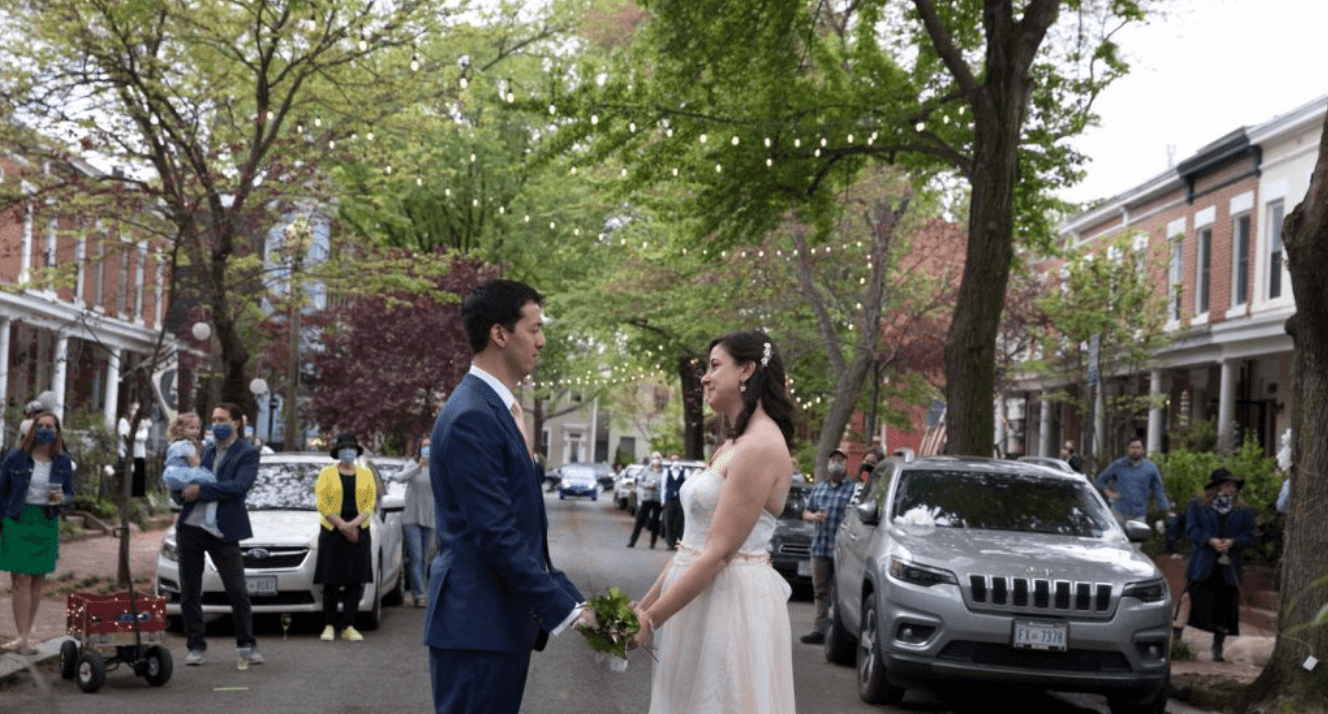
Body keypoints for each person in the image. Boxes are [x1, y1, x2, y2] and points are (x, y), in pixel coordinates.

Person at [426, 279, 586, 714]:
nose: (542, 340)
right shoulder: (472, 416)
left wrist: (577, 602)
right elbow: (496, 534)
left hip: (496, 624)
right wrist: (567, 612)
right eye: (533, 329)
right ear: (500, 334)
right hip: (477, 624)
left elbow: (520, 530)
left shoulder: (496, 408)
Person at [631, 330, 796, 714]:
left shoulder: (760, 446)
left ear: (747, 370)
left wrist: (651, 621)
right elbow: (692, 544)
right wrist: (643, 608)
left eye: (715, 366)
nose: (704, 377)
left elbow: (719, 553)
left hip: (730, 606)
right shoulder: (731, 445)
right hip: (699, 600)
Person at [176, 403, 263, 666]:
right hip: (191, 525)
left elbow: (238, 487)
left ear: (236, 422)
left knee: (236, 589)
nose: (216, 424)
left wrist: (201, 491)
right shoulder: (206, 450)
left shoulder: (247, 453)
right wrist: (180, 489)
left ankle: (246, 644)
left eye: (222, 419)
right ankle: (196, 646)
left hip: (223, 529)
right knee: (190, 590)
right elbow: (186, 481)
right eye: (213, 419)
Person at [0, 411, 74, 655]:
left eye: (49, 426)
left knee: (37, 581)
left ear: (57, 431)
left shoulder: (62, 461)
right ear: (32, 430)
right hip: (18, 520)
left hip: (46, 520)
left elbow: (70, 493)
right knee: (20, 579)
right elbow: (2, 489)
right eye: (40, 425)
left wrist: (64, 498)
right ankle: (22, 638)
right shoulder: (17, 456)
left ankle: (26, 635)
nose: (45, 429)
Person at [1172, 468, 1255, 662]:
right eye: (1226, 485)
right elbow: (1191, 529)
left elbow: (1250, 536)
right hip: (1203, 563)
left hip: (1228, 565)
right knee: (1189, 599)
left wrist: (1233, 542)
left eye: (1233, 486)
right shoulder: (1197, 505)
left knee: (1224, 607)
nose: (1230, 489)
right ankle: (1176, 641)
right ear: (1216, 487)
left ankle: (1217, 648)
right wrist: (1209, 540)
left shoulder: (1244, 510)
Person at [315, 434, 376, 642]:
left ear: (356, 451)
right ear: (338, 452)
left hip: (359, 531)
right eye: (344, 448)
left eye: (351, 447)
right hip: (333, 530)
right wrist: (342, 525)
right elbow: (322, 503)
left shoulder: (366, 474)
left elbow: (369, 504)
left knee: (354, 581)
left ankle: (349, 625)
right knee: (331, 581)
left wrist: (353, 525)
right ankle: (329, 625)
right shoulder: (327, 473)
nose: (348, 451)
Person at [799, 447, 857, 645]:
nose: (836, 463)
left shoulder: (851, 489)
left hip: (843, 552)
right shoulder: (820, 488)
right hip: (820, 548)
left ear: (845, 465)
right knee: (820, 591)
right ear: (828, 464)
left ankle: (837, 633)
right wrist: (814, 517)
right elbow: (805, 513)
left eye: (840, 460)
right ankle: (819, 630)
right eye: (833, 460)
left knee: (839, 592)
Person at [386, 436, 435, 607]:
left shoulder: (438, 467)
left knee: (428, 557)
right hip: (411, 517)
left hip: (431, 518)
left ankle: (425, 591)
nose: (427, 450)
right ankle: (419, 595)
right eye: (424, 447)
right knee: (416, 556)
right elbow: (399, 478)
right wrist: (418, 466)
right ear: (419, 449)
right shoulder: (412, 465)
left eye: (430, 446)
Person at [162, 412, 223, 539]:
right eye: (191, 428)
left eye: (197, 428)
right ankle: (210, 521)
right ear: (181, 429)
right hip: (181, 473)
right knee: (213, 482)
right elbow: (195, 463)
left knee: (183, 493)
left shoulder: (175, 443)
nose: (195, 431)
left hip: (171, 474)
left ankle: (182, 498)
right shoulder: (186, 445)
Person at [1095, 436, 1173, 526]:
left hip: (1139, 514)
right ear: (1128, 449)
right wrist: (1107, 491)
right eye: (1132, 447)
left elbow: (1159, 490)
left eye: (1138, 447)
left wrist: (1167, 511)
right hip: (1118, 511)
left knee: (1136, 539)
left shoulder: (1151, 468)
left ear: (1142, 450)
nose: (1135, 450)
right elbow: (1100, 480)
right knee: (1116, 539)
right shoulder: (1118, 465)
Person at [628, 454, 665, 548]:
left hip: (658, 499)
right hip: (647, 497)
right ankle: (632, 541)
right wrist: (648, 485)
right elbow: (639, 481)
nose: (656, 461)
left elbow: (665, 485)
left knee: (655, 521)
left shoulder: (664, 472)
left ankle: (653, 543)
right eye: (654, 458)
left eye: (658, 459)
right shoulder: (646, 470)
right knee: (640, 520)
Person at [117, 401, 151, 498]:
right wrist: (131, 436)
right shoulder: (123, 421)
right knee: (124, 477)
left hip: (139, 454)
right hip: (125, 453)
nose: (134, 411)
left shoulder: (143, 423)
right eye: (133, 409)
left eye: (137, 410)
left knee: (138, 477)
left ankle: (137, 498)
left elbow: (143, 437)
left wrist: (132, 436)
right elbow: (123, 434)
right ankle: (123, 495)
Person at [660, 454, 687, 550]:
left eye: (677, 459)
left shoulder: (685, 471)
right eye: (673, 459)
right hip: (669, 499)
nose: (675, 461)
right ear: (670, 461)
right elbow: (663, 486)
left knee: (679, 522)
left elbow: (687, 486)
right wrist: (662, 499)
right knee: (669, 521)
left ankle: (677, 543)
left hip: (680, 500)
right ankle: (670, 543)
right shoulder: (667, 471)